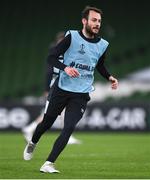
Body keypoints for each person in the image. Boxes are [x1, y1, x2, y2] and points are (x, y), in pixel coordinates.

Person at [23, 6, 118, 173]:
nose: (97, 24)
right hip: (61, 89)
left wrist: (109, 77)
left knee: (69, 128)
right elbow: (51, 57)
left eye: (99, 21)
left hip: (81, 93)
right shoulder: (71, 37)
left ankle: (48, 163)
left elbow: (100, 65)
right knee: (46, 123)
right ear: (84, 21)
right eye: (94, 20)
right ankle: (33, 143)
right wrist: (65, 68)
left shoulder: (103, 44)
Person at [22, 31, 81, 145]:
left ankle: (30, 128)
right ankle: (31, 128)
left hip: (59, 86)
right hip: (55, 87)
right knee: (51, 113)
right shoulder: (56, 53)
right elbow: (49, 72)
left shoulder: (62, 53)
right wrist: (46, 89)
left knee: (56, 112)